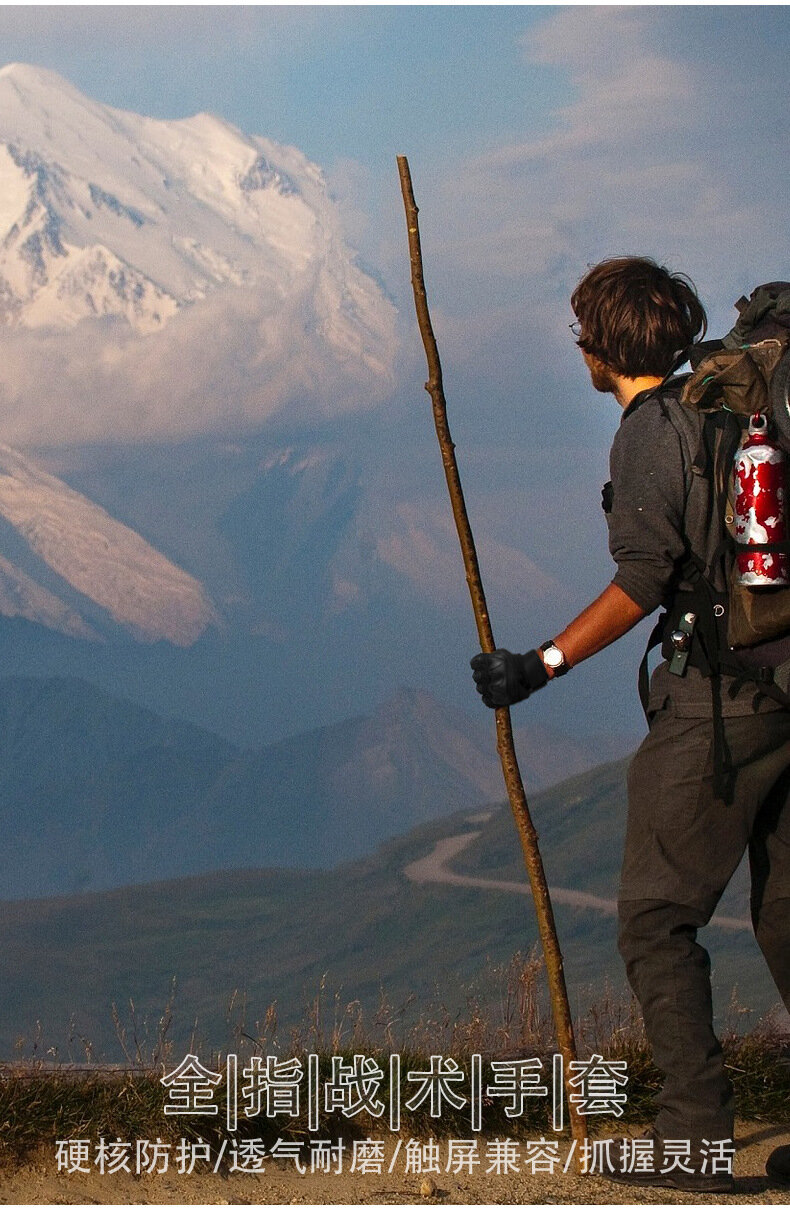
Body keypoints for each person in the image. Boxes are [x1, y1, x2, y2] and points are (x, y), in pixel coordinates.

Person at [471, 256, 790, 1194]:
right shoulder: (743, 403)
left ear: (598, 350)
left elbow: (644, 580)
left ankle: (692, 1142)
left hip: (721, 703)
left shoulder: (655, 430)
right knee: (784, 911)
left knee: (656, 920)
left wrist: (539, 664)